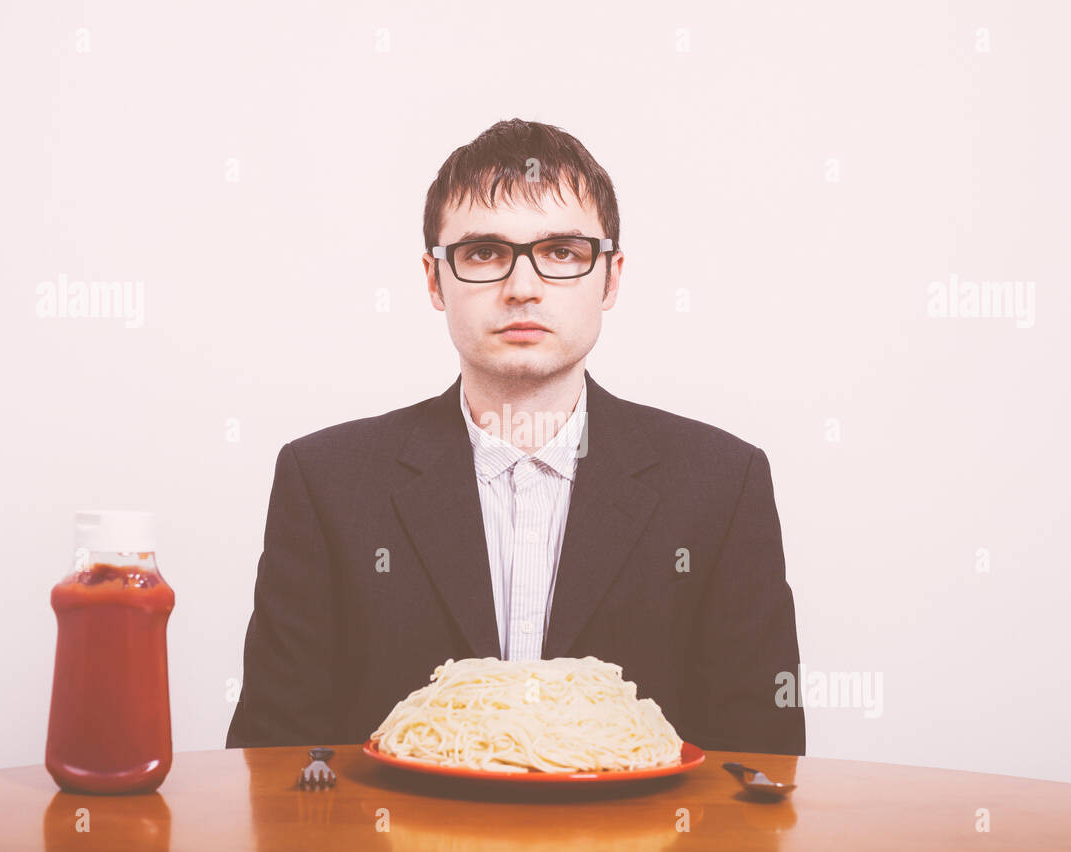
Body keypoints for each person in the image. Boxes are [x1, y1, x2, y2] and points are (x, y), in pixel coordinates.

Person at [226, 118, 804, 755]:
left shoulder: (723, 484)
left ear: (609, 278)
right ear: (433, 280)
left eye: (562, 252)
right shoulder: (325, 481)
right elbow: (272, 765)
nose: (522, 288)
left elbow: (762, 768)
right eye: (484, 253)